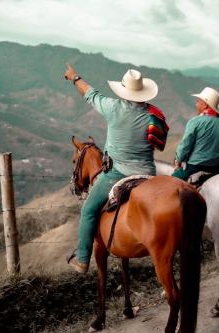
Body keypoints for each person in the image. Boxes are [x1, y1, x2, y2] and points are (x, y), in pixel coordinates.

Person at [63, 64, 162, 273]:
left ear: (124, 91)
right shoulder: (153, 115)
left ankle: (82, 258)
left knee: (88, 210)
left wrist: (74, 76)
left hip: (118, 173)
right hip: (148, 175)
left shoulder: (113, 107)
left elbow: (89, 93)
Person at [173, 87, 219, 180]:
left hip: (194, 167)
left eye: (197, 101)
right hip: (216, 169)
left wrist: (178, 160)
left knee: (169, 184)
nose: (196, 104)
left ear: (205, 105)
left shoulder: (195, 121)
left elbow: (185, 145)